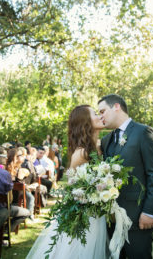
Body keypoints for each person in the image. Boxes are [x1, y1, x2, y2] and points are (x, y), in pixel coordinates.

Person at [26, 104, 107, 258]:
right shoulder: (82, 152)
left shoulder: (99, 147)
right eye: (95, 114)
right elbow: (73, 188)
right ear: (86, 122)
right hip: (84, 214)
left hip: (97, 212)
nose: (100, 116)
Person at [99, 94, 153, 259]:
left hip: (137, 217)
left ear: (116, 106)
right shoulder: (106, 140)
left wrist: (150, 212)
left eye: (102, 111)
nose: (100, 116)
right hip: (111, 218)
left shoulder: (144, 132)